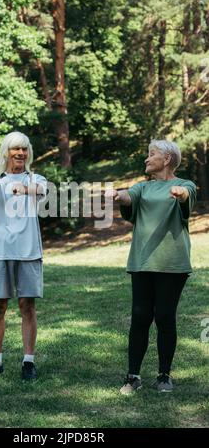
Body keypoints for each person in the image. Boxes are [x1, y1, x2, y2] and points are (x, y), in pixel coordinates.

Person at [110, 140, 196, 394]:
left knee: (165, 317)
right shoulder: (143, 187)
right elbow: (129, 196)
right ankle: (133, 377)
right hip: (142, 262)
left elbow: (187, 195)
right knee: (140, 316)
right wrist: (118, 195)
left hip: (172, 264)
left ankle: (164, 375)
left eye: (152, 154)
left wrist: (181, 194)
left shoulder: (184, 184)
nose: (147, 159)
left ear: (167, 159)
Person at [0, 131, 47, 382]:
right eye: (16, 149)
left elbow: (41, 191)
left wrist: (24, 188)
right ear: (6, 152)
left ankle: (29, 362)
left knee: (27, 306)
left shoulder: (37, 179)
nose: (20, 153)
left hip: (28, 251)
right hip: (0, 250)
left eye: (24, 149)